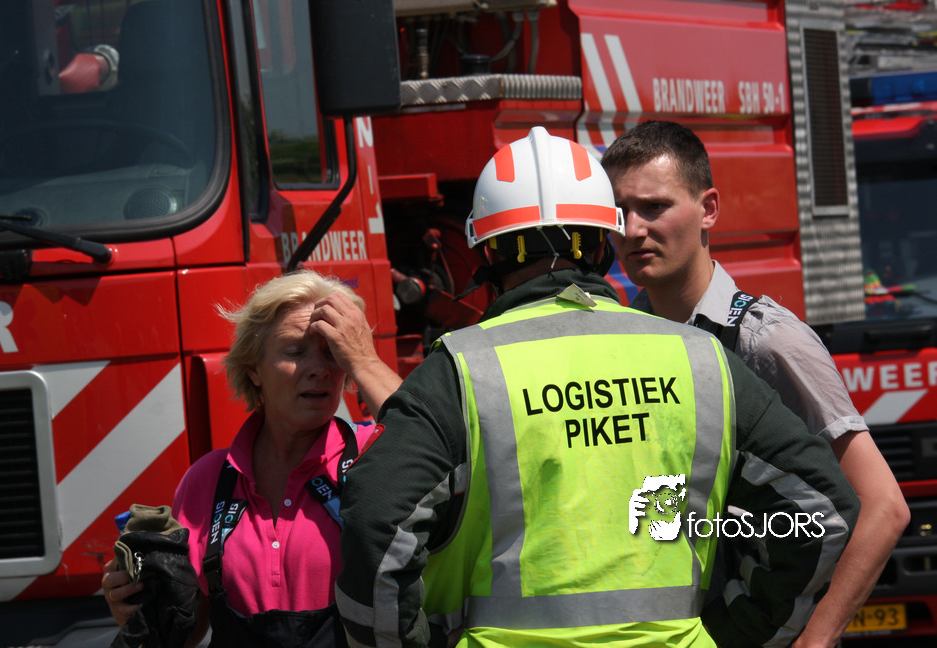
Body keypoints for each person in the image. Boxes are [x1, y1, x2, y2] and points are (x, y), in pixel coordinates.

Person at [335, 127, 860, 648]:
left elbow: (377, 523)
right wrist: (733, 633)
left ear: (487, 251)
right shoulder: (701, 359)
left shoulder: (460, 368)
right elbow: (822, 511)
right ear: (603, 239)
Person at [599, 119, 909, 648]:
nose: (632, 230)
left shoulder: (766, 342)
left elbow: (883, 507)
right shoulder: (622, 339)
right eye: (618, 211)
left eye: (654, 207)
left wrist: (816, 639)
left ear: (709, 209)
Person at [101, 269, 403, 647]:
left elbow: (440, 443)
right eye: (295, 352)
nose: (319, 369)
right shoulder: (208, 479)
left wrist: (366, 361)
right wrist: (135, 607)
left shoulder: (375, 455)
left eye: (332, 351)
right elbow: (189, 631)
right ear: (254, 370)